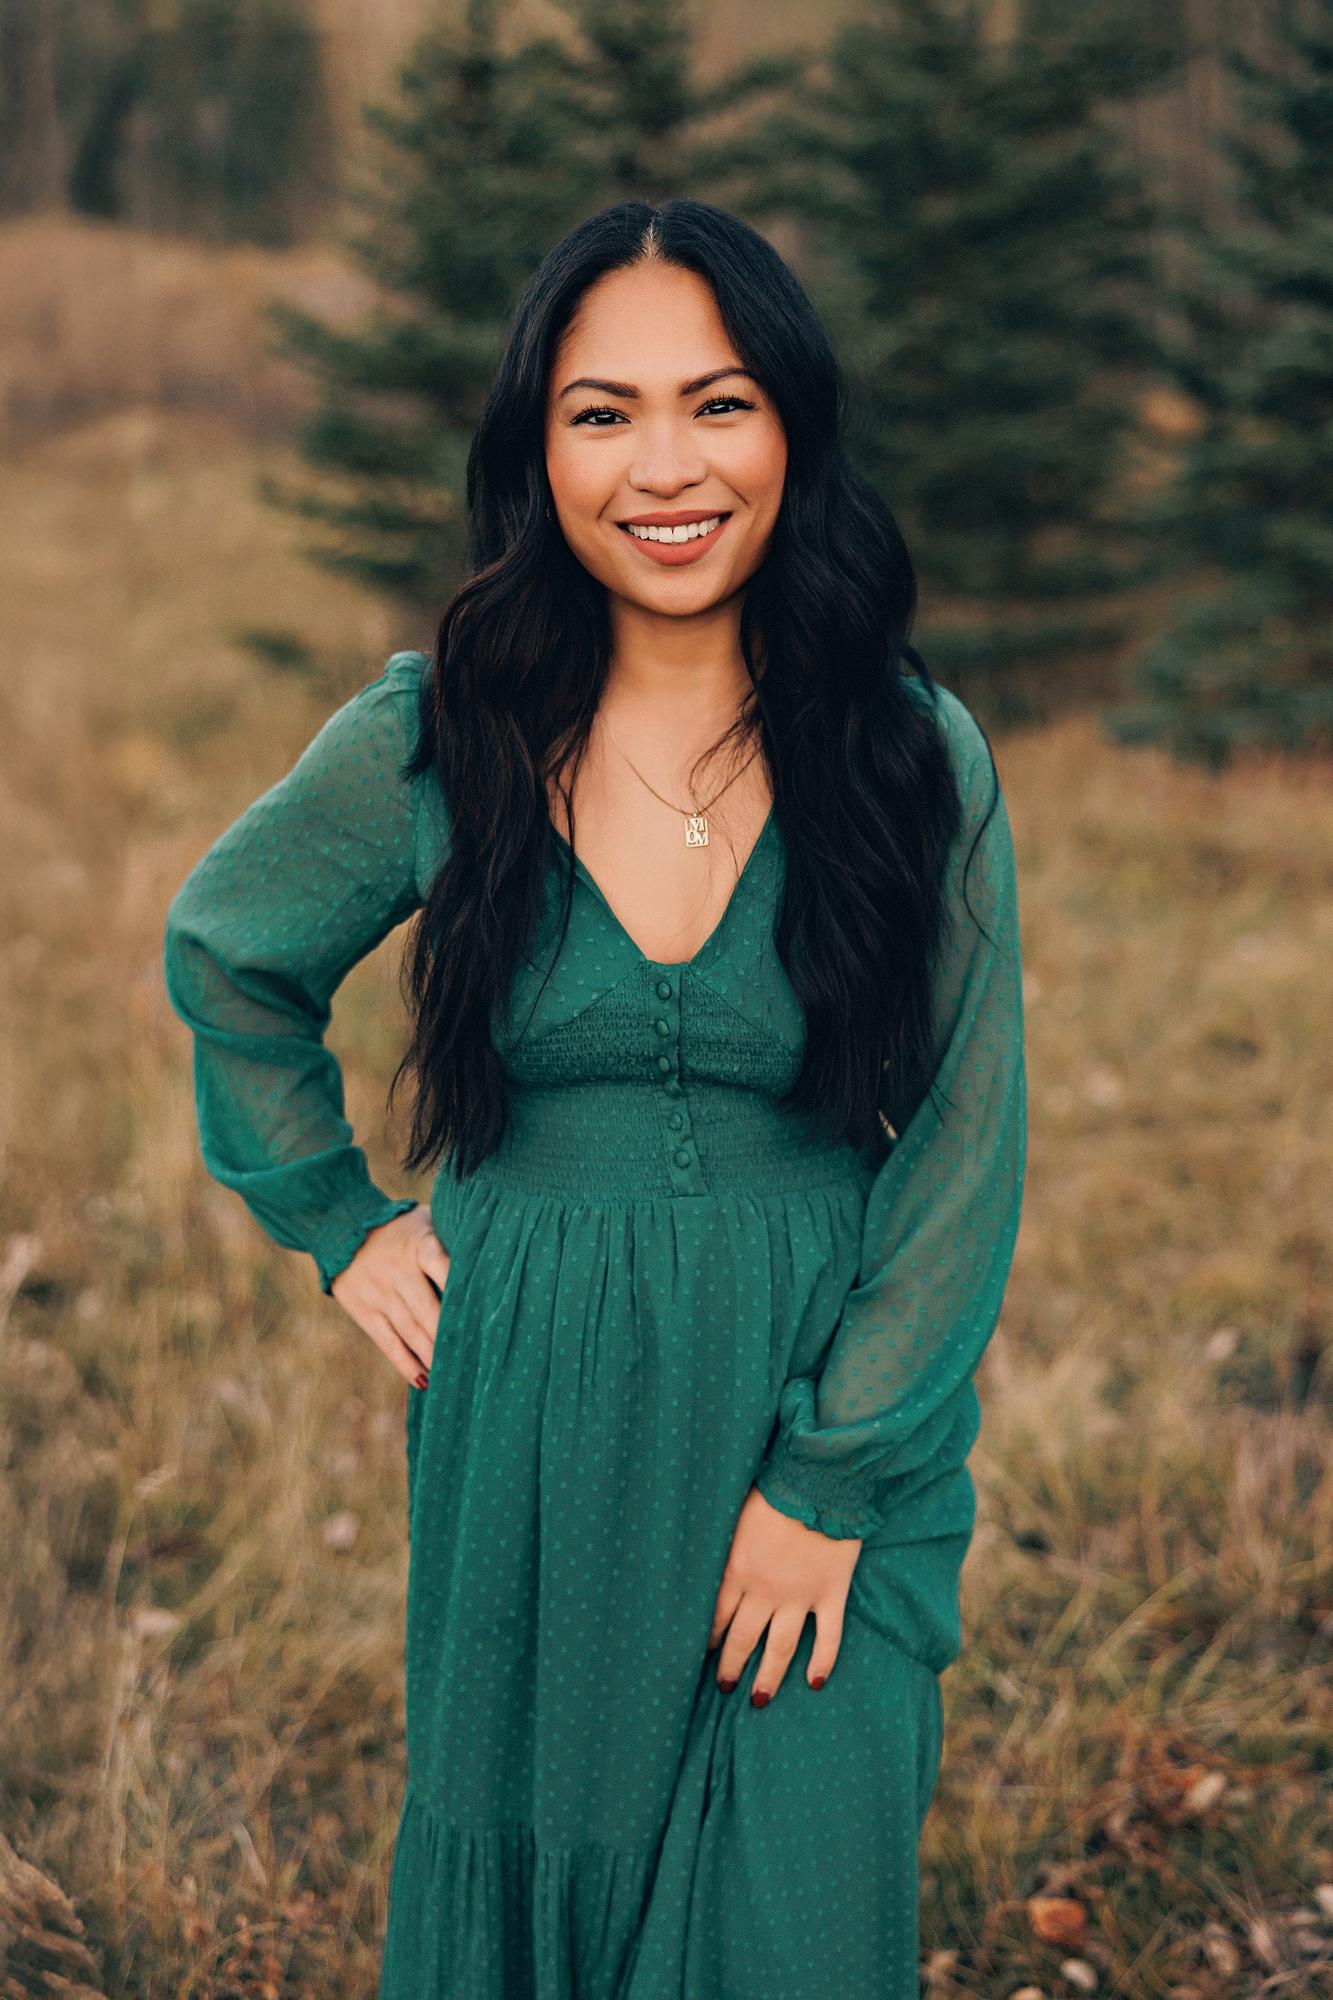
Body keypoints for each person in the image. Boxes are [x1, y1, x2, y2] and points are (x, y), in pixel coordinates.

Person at [162, 197, 1027, 2000]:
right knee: (540, 1907)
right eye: (600, 412)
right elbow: (230, 952)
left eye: (717, 404)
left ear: (790, 425)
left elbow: (963, 1135)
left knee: (793, 1920)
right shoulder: (439, 736)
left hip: (821, 1407)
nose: (665, 467)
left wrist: (831, 1479)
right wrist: (335, 1219)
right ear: (535, 449)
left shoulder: (906, 753)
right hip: (535, 1426)